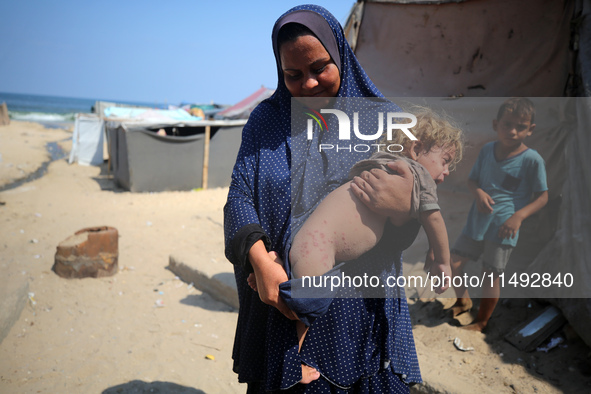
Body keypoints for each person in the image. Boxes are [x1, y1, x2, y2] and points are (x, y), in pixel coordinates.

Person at [224, 5, 429, 392]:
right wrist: (258, 259)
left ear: (341, 55)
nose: (310, 84)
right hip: (280, 304)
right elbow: (239, 196)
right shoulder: (265, 121)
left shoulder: (386, 124)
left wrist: (404, 209)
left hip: (356, 311)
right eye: (293, 75)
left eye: (320, 68)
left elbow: (405, 224)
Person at [247, 108, 464, 353]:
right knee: (308, 306)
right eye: (445, 161)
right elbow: (434, 219)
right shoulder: (417, 174)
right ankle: (299, 360)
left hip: (313, 242)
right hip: (321, 247)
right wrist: (443, 262)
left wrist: (432, 251)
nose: (446, 173)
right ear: (415, 149)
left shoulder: (381, 160)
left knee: (308, 291)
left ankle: (282, 264)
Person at [449, 97, 548, 332]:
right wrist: (479, 192)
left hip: (504, 227)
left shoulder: (532, 160)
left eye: (520, 126)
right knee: (453, 262)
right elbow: (472, 180)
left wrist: (518, 217)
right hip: (477, 222)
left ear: (530, 130)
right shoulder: (487, 150)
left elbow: (543, 197)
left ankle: (482, 322)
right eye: (507, 124)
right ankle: (463, 300)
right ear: (496, 124)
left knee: (490, 276)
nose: (512, 131)